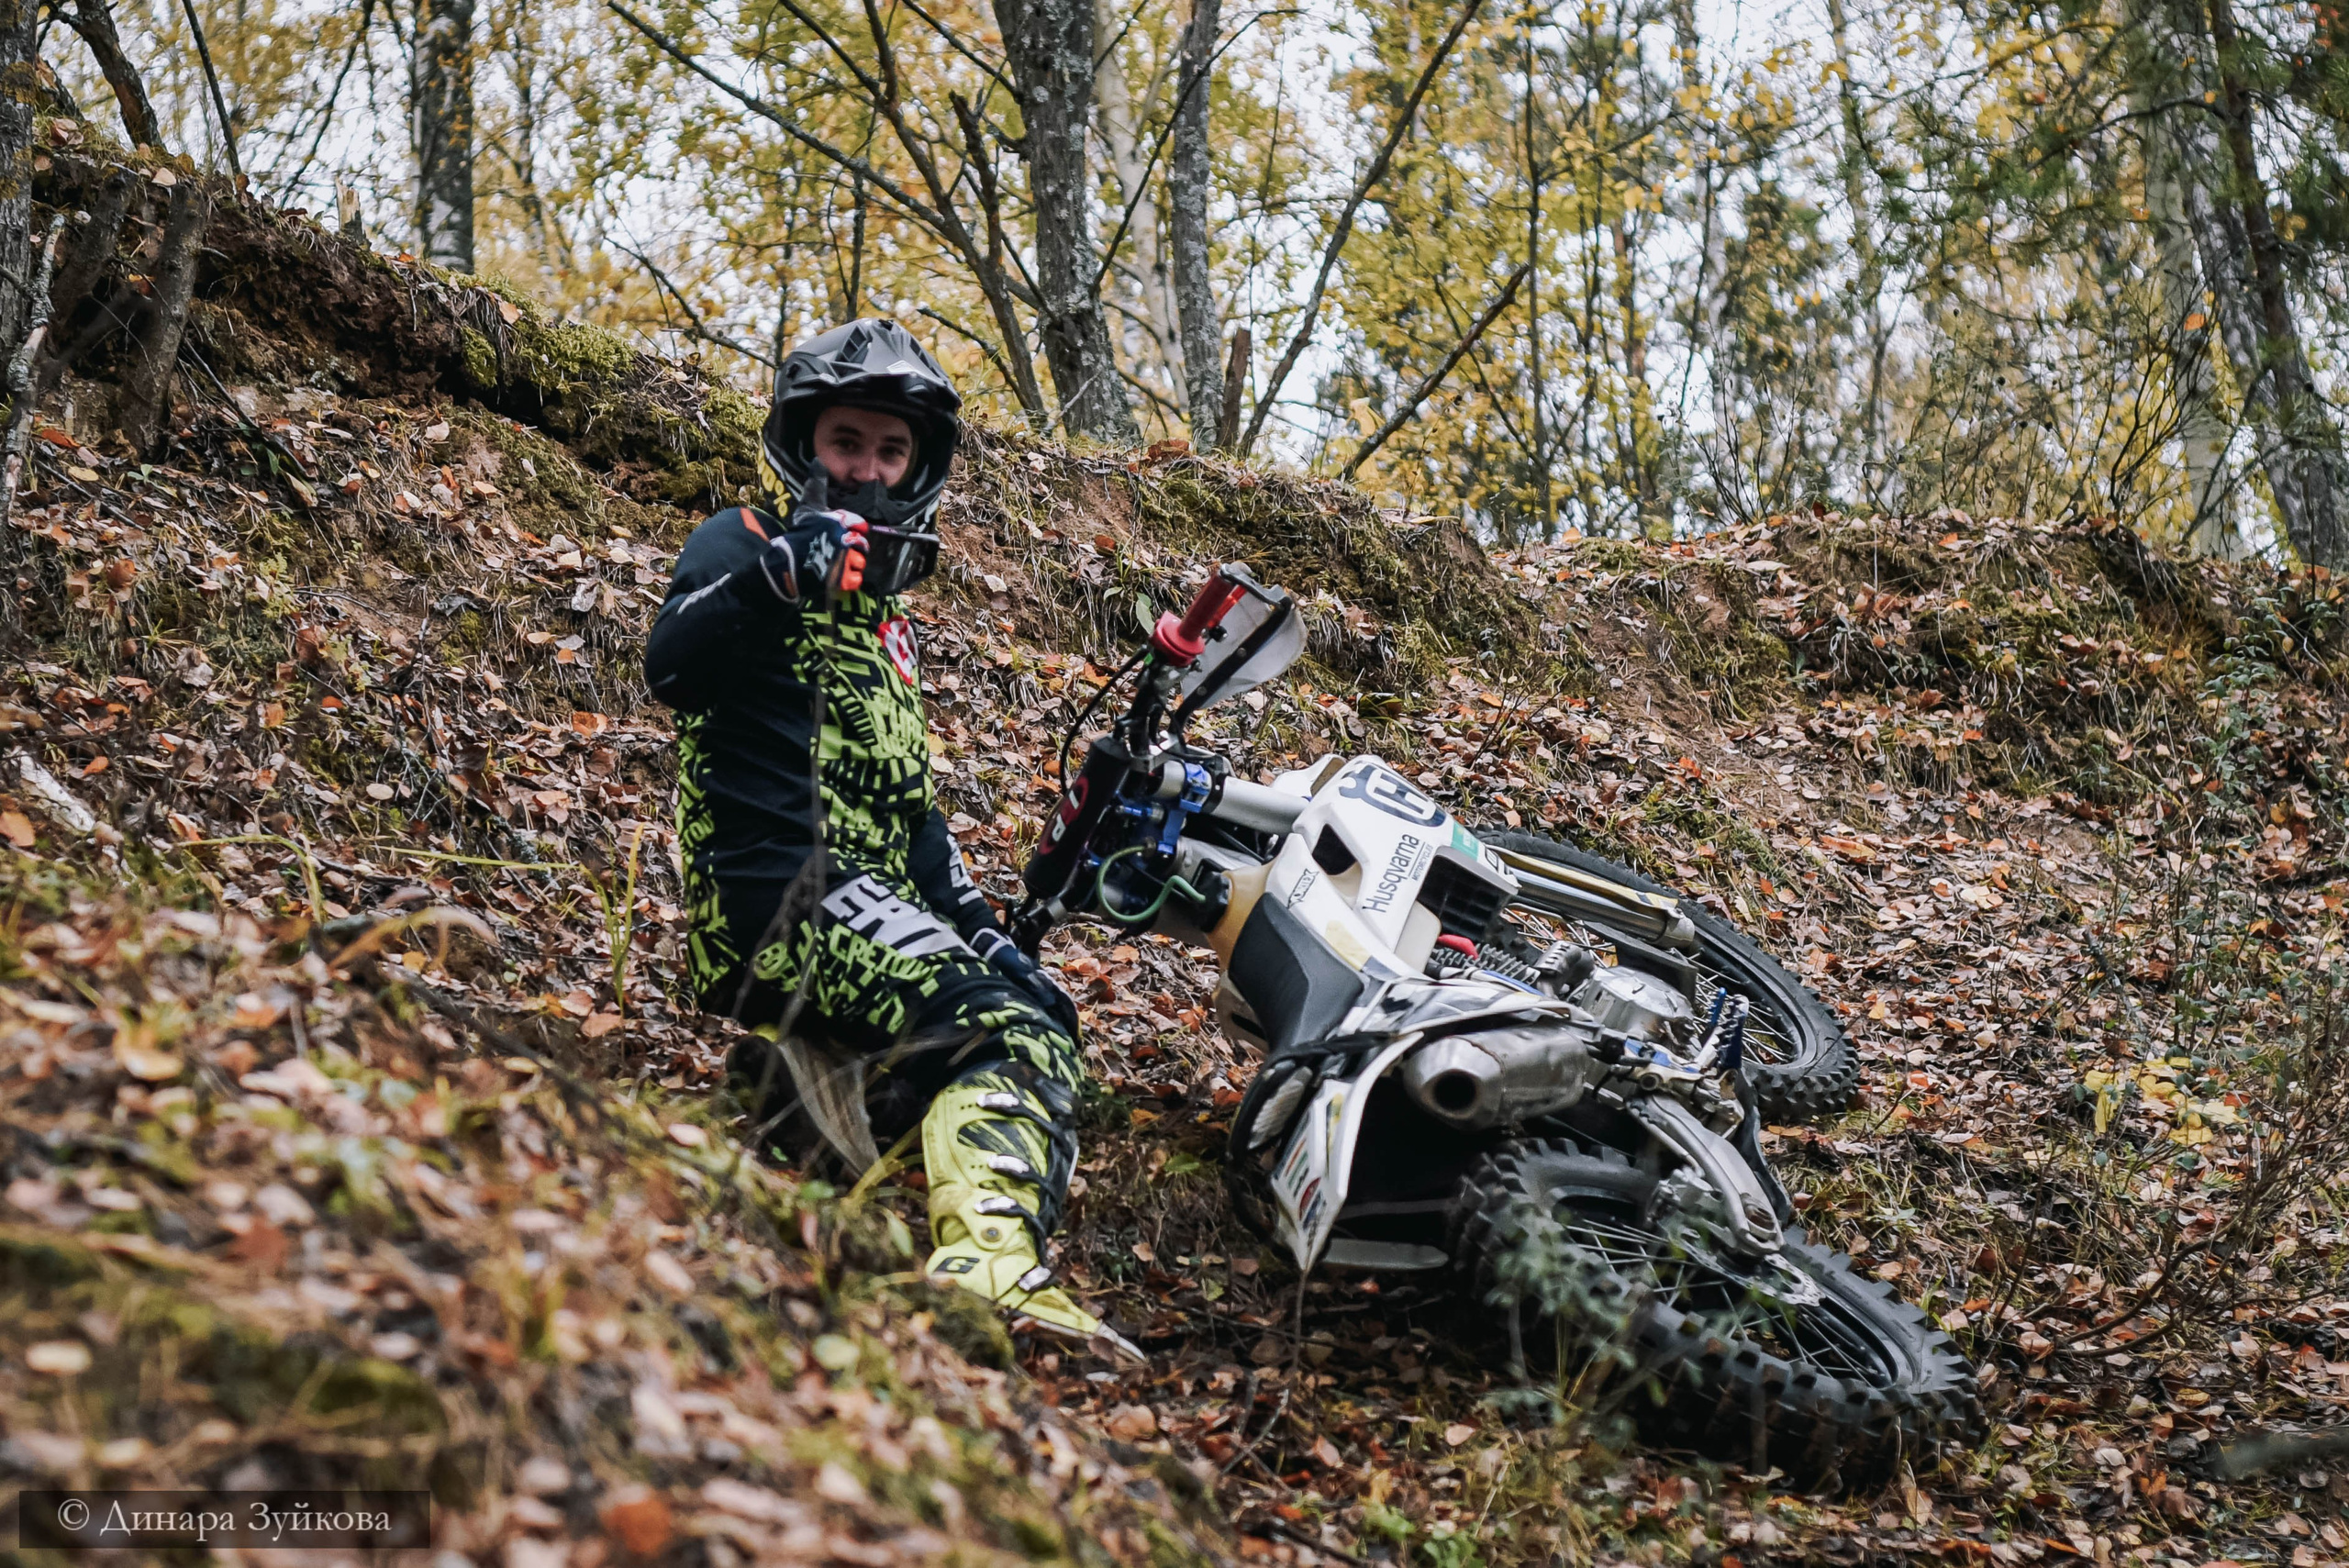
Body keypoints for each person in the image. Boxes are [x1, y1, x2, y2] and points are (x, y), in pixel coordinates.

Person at [645, 318, 1104, 1342]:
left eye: (891, 452)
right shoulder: (743, 541)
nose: (867, 470)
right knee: (1010, 1032)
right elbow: (669, 666)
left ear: (916, 470)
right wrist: (776, 581)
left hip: (866, 896)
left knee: (1047, 1017)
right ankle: (984, 1272)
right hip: (774, 895)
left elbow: (909, 809)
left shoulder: (887, 623)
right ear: (805, 444)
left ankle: (826, 1110)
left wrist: (982, 929)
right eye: (848, 442)